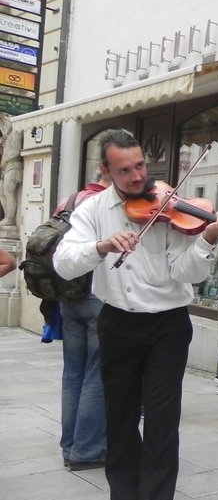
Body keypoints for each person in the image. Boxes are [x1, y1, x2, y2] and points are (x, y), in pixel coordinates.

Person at [53, 129, 218, 500]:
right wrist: (100, 246)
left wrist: (207, 239)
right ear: (106, 170)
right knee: (117, 419)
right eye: (125, 169)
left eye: (141, 166)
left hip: (167, 327)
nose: (138, 176)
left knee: (159, 421)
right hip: (117, 321)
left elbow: (185, 272)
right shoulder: (94, 208)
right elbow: (63, 263)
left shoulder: (170, 206)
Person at [56, 173, 112, 471]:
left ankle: (69, 446)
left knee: (72, 374)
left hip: (67, 295)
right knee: (96, 373)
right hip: (94, 294)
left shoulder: (70, 200)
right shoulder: (103, 205)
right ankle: (87, 449)